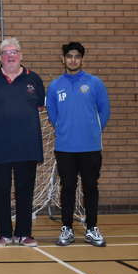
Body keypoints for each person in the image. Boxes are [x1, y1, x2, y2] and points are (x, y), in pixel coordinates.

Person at [46, 41, 110, 247]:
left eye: (77, 56)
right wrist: (66, 130)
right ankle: (67, 229)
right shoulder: (55, 85)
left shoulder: (95, 83)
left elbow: (105, 111)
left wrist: (91, 132)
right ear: (63, 59)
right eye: (69, 56)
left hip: (91, 147)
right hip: (65, 148)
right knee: (68, 188)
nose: (73, 60)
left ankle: (92, 228)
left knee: (90, 187)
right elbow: (52, 115)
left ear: (82, 59)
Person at [0, 38, 45, 247]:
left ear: (21, 55)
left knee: (25, 191)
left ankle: (24, 233)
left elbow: (39, 106)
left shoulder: (34, 79)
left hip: (27, 147)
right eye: (6, 52)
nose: (10, 55)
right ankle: (3, 234)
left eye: (14, 52)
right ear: (0, 57)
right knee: (0, 191)